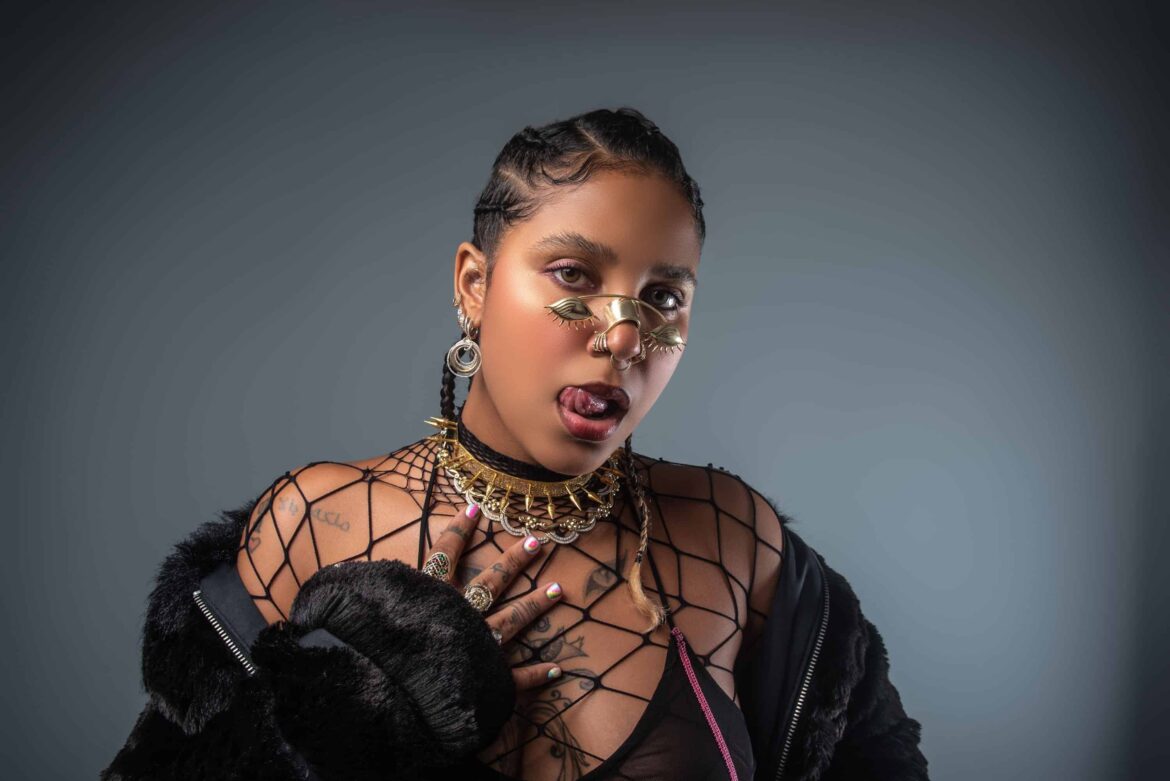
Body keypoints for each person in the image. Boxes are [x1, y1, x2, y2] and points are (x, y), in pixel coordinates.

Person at [102, 107, 928, 781]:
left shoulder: (731, 537)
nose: (624, 337)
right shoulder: (316, 520)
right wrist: (361, 721)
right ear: (475, 285)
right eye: (574, 274)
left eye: (663, 296)